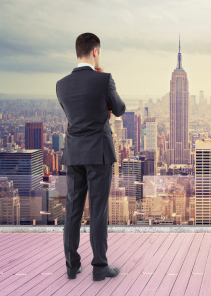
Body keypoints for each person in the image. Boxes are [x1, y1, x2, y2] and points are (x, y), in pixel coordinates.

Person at [56, 33, 125, 281]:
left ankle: (72, 265)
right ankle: (99, 267)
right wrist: (104, 90)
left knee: (73, 210)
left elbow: (73, 116)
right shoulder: (103, 79)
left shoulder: (61, 85)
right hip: (99, 152)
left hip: (74, 153)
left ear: (78, 52)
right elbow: (119, 109)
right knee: (98, 210)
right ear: (95, 52)